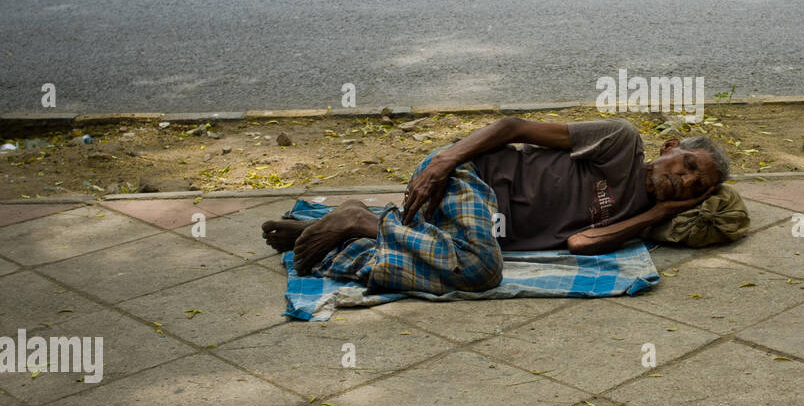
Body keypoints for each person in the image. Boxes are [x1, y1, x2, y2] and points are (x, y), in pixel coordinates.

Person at [261, 117, 729, 295]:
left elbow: (579, 243)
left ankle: (348, 230)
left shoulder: (639, 222)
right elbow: (512, 128)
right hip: (470, 178)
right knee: (483, 272)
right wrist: (447, 157)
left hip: (466, 231)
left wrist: (659, 215)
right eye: (687, 162)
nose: (684, 178)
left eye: (696, 184)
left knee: (462, 257)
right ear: (669, 146)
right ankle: (362, 220)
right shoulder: (622, 143)